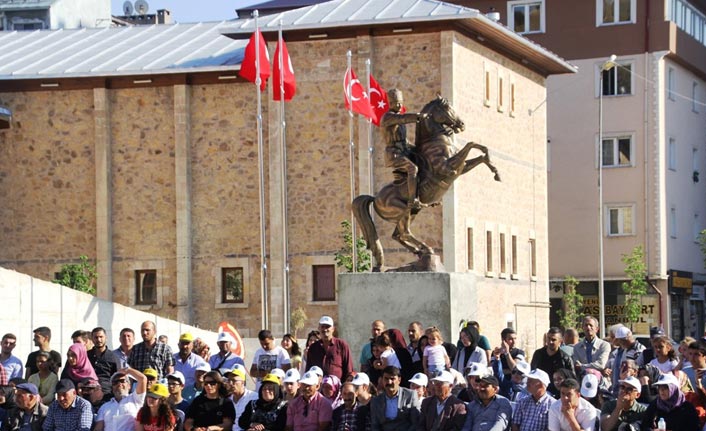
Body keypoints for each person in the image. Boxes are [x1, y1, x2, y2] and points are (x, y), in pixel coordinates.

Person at [381, 88, 426, 209]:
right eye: (397, 103)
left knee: (422, 160)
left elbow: (404, 141)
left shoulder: (398, 121)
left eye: (401, 102)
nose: (400, 105)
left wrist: (417, 149)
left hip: (404, 151)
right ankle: (413, 200)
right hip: (394, 154)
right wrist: (417, 117)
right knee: (412, 169)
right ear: (390, 104)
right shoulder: (388, 118)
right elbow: (403, 118)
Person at [94, 366, 148, 431]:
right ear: (112, 388)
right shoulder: (104, 407)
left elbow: (143, 379)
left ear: (129, 385)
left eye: (122, 381)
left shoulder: (135, 399)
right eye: (115, 382)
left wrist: (128, 370)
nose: (119, 384)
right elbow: (98, 428)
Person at [369, 366, 420, 431]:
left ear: (399, 380)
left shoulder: (410, 395)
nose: (389, 382)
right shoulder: (376, 401)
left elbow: (416, 422)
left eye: (392, 379)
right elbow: (375, 425)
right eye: (386, 379)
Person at [306, 316, 354, 382]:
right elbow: (308, 369)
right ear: (319, 328)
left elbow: (349, 368)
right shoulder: (313, 348)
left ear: (333, 329)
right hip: (318, 388)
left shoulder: (342, 345)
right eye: (322, 327)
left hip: (337, 388)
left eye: (327, 327)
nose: (325, 329)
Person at [530, 327, 573, 395]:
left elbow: (571, 380)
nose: (550, 342)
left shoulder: (565, 358)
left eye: (553, 340)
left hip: (558, 394)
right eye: (548, 338)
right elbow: (532, 372)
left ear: (560, 341)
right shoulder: (538, 354)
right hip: (540, 392)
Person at [604, 326, 644, 395]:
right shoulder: (624, 349)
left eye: (620, 341)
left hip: (631, 387)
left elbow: (637, 370)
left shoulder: (639, 350)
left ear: (625, 339)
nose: (619, 343)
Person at [88, 327, 122, 397]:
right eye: (96, 337)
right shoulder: (86, 356)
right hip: (88, 391)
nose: (99, 340)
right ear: (92, 339)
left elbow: (117, 377)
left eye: (101, 337)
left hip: (106, 394)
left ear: (106, 338)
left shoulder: (113, 357)